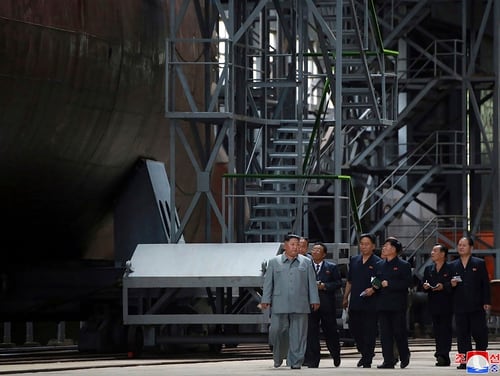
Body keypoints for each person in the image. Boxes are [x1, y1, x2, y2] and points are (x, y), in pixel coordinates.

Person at [260, 233, 320, 369]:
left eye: (297, 245)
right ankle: (279, 354)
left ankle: (296, 361)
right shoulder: (274, 262)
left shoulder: (306, 262)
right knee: (276, 331)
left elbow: (311, 282)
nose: (295, 247)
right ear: (285, 245)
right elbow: (269, 282)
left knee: (299, 334)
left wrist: (314, 299)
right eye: (292, 244)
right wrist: (265, 299)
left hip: (300, 302)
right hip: (279, 303)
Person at [450, 236, 491, 370]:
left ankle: (480, 361)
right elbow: (447, 286)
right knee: (462, 335)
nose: (461, 247)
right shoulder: (453, 265)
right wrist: (451, 284)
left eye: (464, 245)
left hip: (476, 305)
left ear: (471, 248)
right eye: (459, 245)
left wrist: (487, 301)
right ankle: (464, 361)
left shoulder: (479, 263)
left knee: (479, 334)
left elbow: (485, 284)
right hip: (459, 305)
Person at [342, 233, 382, 368]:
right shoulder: (354, 260)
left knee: (369, 331)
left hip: (371, 302)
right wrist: (345, 297)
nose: (364, 247)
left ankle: (367, 357)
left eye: (367, 244)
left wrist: (373, 289)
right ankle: (365, 352)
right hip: (355, 301)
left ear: (373, 246)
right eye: (362, 244)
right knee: (355, 328)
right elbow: (350, 281)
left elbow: (379, 280)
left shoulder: (377, 262)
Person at [375, 237, 412, 369]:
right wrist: (375, 285)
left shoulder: (403, 265)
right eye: (384, 246)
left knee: (399, 332)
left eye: (387, 246)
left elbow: (407, 283)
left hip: (397, 304)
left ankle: (404, 355)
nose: (384, 248)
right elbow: (376, 280)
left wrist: (390, 284)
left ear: (394, 249)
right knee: (385, 334)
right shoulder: (379, 264)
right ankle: (388, 360)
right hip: (382, 304)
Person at [304, 242, 342, 368]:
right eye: (313, 250)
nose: (314, 252)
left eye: (318, 250)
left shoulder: (331, 267)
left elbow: (338, 283)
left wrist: (325, 286)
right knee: (311, 332)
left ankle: (335, 353)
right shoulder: (306, 266)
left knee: (330, 331)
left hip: (326, 304)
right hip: (310, 305)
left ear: (324, 254)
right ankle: (313, 360)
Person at [422, 243, 453, 366]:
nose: (432, 253)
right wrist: (426, 286)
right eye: (432, 251)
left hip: (446, 304)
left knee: (445, 330)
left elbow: (454, 284)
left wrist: (444, 286)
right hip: (433, 303)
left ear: (443, 254)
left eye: (435, 251)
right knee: (437, 330)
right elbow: (423, 284)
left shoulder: (450, 269)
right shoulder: (428, 269)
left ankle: (444, 355)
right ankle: (439, 353)